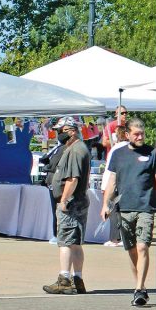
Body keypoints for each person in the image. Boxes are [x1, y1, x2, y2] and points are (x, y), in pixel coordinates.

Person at [101, 118, 156, 306]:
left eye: (142, 134)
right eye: (136, 134)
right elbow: (112, 181)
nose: (140, 137)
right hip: (124, 208)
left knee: (142, 247)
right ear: (127, 134)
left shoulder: (153, 153)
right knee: (132, 249)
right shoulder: (119, 154)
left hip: (146, 207)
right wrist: (105, 204)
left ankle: (139, 289)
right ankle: (140, 287)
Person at [43, 116, 91, 295]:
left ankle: (64, 279)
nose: (58, 135)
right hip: (78, 200)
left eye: (60, 131)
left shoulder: (75, 150)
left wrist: (63, 200)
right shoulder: (78, 148)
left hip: (71, 203)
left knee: (65, 241)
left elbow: (72, 179)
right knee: (76, 243)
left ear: (70, 131)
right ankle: (77, 279)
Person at [99, 125, 129, 246]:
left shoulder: (117, 149)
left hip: (114, 184)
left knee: (113, 212)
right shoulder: (129, 148)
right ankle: (122, 237)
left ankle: (115, 239)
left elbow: (110, 171)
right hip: (125, 184)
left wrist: (104, 186)